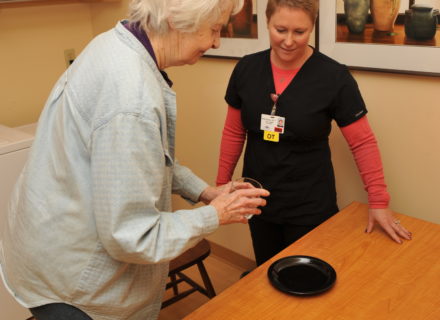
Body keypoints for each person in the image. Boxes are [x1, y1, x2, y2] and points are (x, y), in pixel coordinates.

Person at [0, 0, 270, 319]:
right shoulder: (132, 96)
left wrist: (205, 193)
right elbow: (133, 236)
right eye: (213, 29)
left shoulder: (113, 41)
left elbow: (150, 159)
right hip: (72, 286)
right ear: (175, 19)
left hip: (43, 245)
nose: (216, 42)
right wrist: (215, 215)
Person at [216, 0, 412, 267]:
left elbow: (363, 143)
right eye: (280, 29)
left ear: (312, 28)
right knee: (266, 272)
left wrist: (378, 201)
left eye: (300, 32)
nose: (288, 41)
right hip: (257, 198)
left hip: (309, 202)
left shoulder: (334, 77)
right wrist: (222, 185)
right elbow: (233, 132)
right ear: (267, 23)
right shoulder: (247, 69)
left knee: (306, 280)